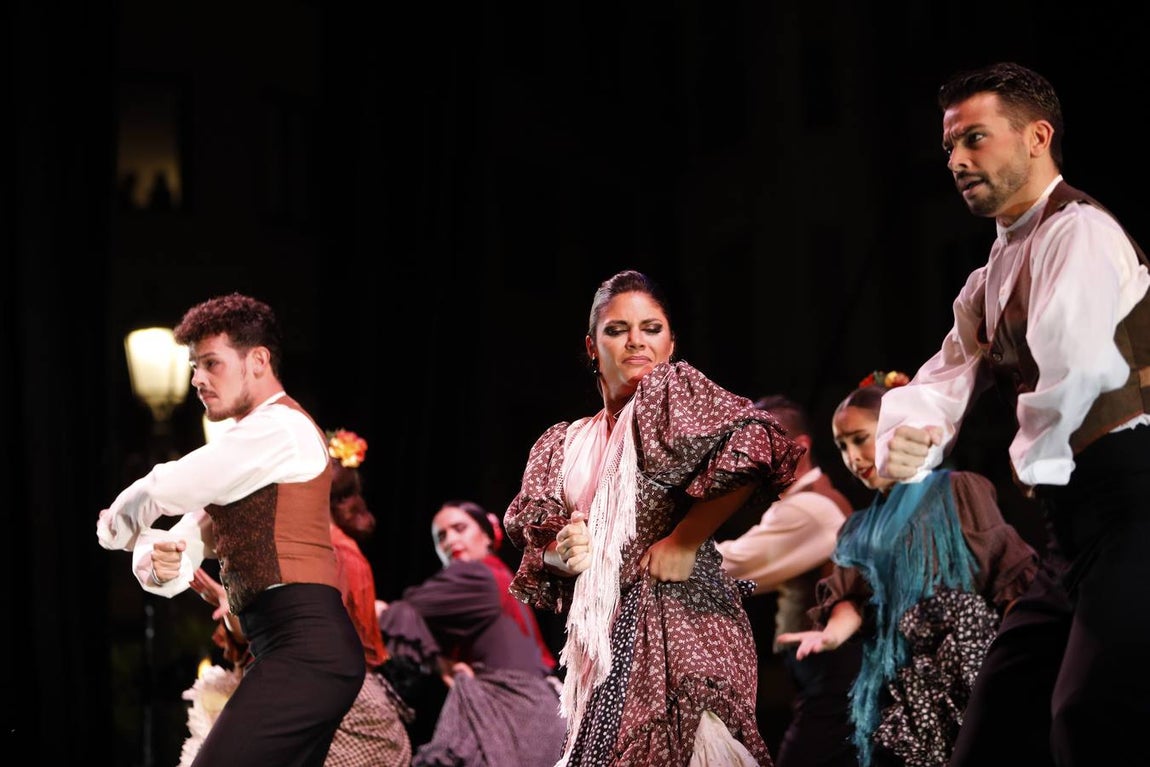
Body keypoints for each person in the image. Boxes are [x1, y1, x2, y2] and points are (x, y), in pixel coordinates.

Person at [874, 62, 1150, 767]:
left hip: (1133, 507)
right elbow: (946, 373)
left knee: (1088, 715)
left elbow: (1078, 364)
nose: (957, 161)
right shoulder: (989, 276)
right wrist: (910, 434)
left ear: (1037, 137)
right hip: (1073, 529)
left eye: (975, 138)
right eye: (949, 147)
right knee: (995, 721)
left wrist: (1037, 458)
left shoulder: (1079, 233)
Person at [503, 269, 803, 767]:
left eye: (651, 328)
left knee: (692, 745)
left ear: (670, 344)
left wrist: (685, 540)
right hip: (604, 637)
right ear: (592, 347)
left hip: (680, 620)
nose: (636, 341)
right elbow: (535, 538)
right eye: (617, 330)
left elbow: (758, 441)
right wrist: (560, 553)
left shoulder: (669, 395)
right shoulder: (562, 443)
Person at [96, 292, 364, 767]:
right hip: (290, 648)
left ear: (257, 361)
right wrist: (163, 565)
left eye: (211, 364)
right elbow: (183, 538)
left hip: (306, 647)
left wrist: (113, 527)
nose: (196, 380)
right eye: (194, 367)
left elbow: (169, 485)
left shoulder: (280, 428)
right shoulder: (252, 457)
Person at [777, 372, 1038, 767]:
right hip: (901, 690)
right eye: (842, 446)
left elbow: (1009, 574)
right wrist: (832, 633)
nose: (853, 457)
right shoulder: (858, 529)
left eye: (860, 439)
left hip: (968, 673)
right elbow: (852, 597)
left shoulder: (955, 491)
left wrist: (1014, 661)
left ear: (894, 430)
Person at [178, 428, 413, 767]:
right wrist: (229, 602)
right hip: (327, 695)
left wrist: (232, 604)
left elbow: (311, 637)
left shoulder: (330, 554)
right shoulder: (320, 551)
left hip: (337, 708)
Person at [715, 394, 861, 767]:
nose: (751, 460)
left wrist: (670, 542)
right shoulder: (803, 502)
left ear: (801, 447)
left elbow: (732, 566)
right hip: (823, 669)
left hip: (834, 669)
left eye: (761, 446)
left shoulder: (809, 509)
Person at [377, 499, 566, 767]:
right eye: (441, 537)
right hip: (541, 707)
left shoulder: (476, 575)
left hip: (514, 712)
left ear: (487, 536)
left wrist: (377, 610)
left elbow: (404, 612)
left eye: (459, 528)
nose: (450, 540)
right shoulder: (499, 574)